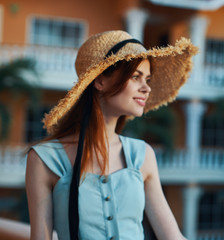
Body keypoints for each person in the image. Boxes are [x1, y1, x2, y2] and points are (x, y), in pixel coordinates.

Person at [26, 30, 198, 240]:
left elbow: (172, 237)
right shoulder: (44, 159)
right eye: (136, 77)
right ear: (100, 82)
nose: (146, 88)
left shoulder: (142, 155)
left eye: (148, 79)